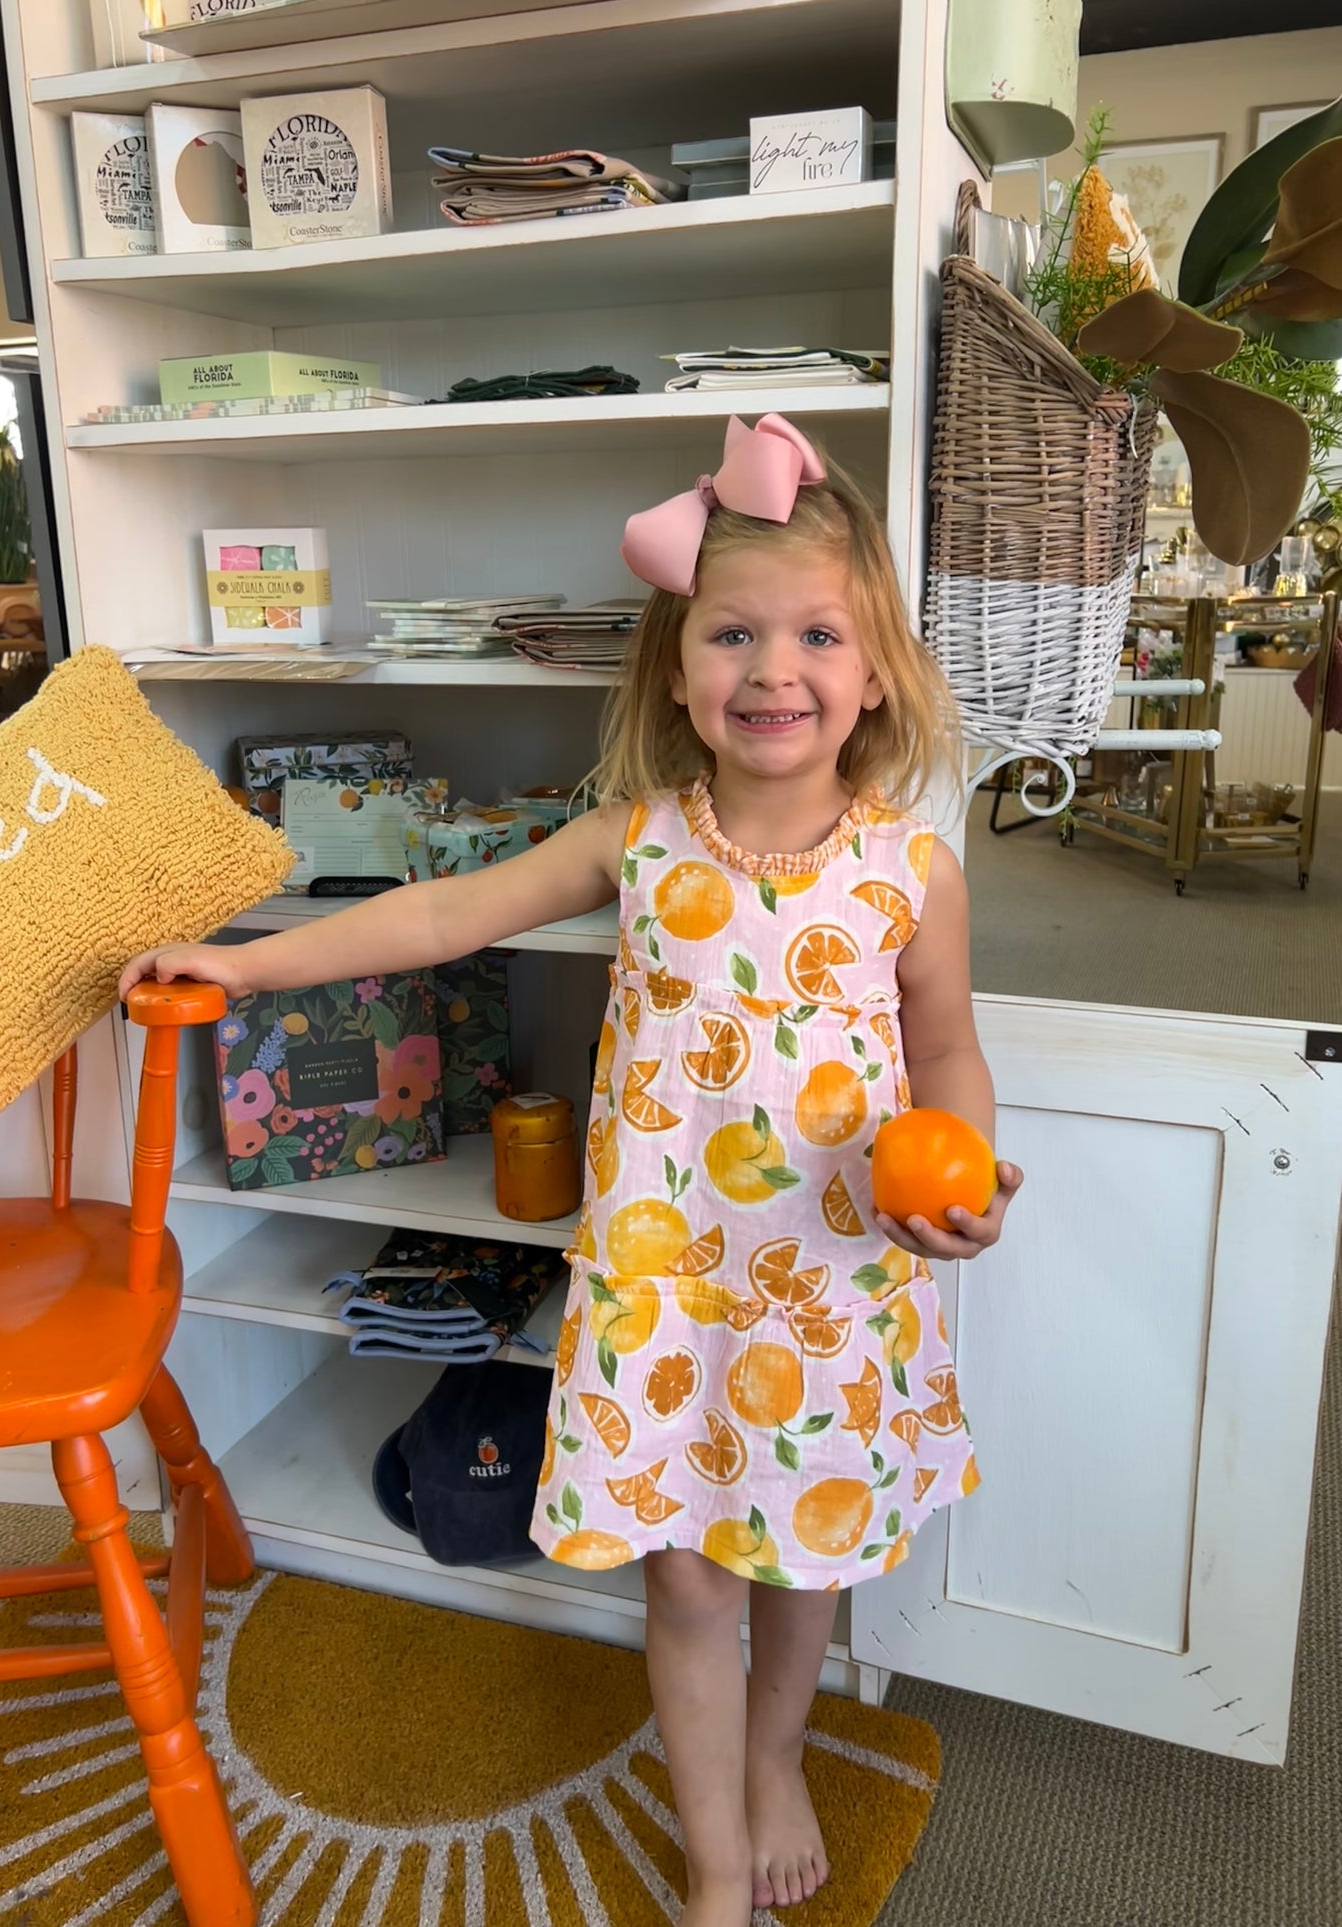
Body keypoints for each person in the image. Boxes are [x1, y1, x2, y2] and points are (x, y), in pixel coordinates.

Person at [120, 413, 1023, 1927]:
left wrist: (969, 1168)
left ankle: (778, 1750)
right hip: (667, 1293)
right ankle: (719, 1869)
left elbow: (946, 1052)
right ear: (677, 668)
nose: (772, 670)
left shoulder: (910, 872)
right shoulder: (638, 838)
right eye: (731, 634)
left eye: (816, 634)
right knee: (682, 1577)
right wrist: (244, 962)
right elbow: (435, 918)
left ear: (873, 672)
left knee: (802, 1561)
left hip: (837, 1281)